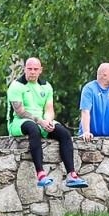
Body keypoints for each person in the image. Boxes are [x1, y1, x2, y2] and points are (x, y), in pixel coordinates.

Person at [8, 57, 87, 189]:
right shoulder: (16, 86)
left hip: (42, 120)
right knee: (34, 129)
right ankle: (41, 174)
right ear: (24, 69)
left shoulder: (46, 86)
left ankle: (71, 175)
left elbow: (49, 109)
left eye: (35, 69)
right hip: (19, 122)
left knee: (64, 133)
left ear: (40, 70)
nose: (32, 72)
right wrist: (40, 122)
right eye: (29, 69)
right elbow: (20, 111)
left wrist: (49, 121)